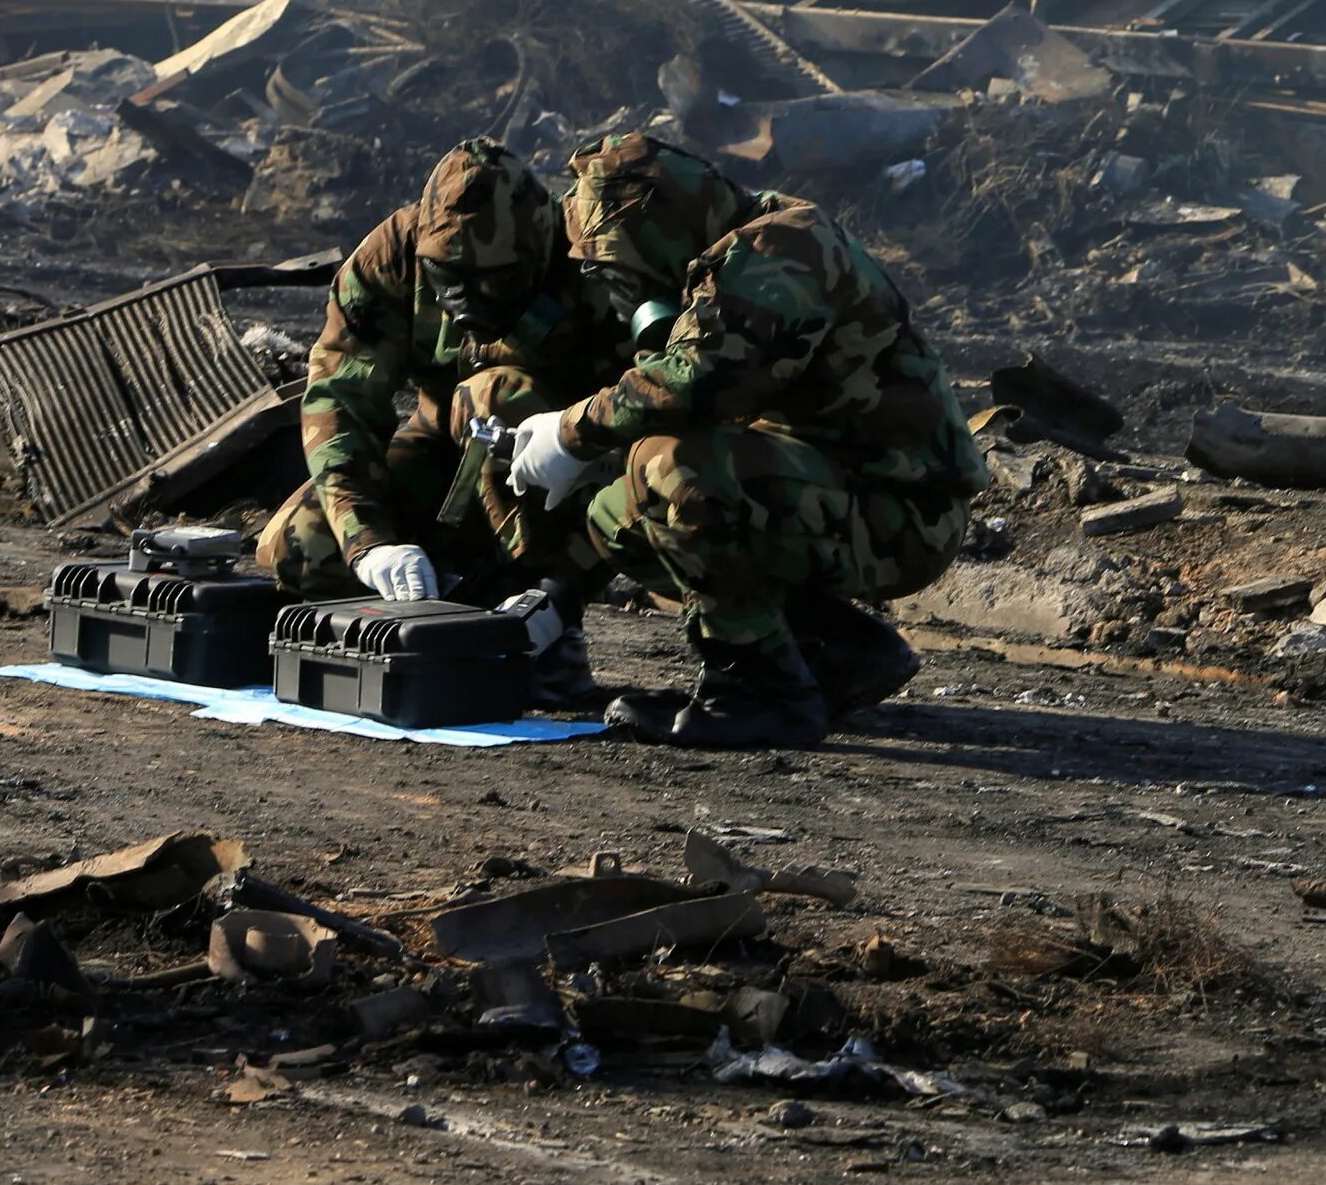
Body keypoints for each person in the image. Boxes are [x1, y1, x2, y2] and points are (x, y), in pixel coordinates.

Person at [505, 150, 987, 749]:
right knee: (619, 517)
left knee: (673, 470)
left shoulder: (778, 250)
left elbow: (697, 379)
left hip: (906, 512)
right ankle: (831, 653)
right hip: (840, 487)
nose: (619, 287)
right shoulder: (736, 247)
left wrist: (573, 431)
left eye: (618, 266)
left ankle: (760, 695)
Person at [255, 139, 625, 705]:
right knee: (295, 545)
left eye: (488, 280)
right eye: (447, 276)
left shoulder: (594, 259)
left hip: (570, 475)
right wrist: (369, 543)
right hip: (441, 447)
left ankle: (539, 624)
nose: (464, 299)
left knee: (494, 394)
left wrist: (564, 589)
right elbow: (340, 402)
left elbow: (654, 417)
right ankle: (450, 610)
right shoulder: (391, 258)